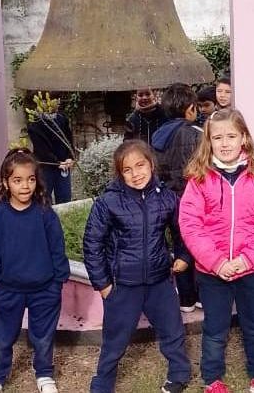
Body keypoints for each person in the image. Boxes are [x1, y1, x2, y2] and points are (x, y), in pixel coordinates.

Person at [178, 109, 254, 393]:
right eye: (217, 138)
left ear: (244, 139)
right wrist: (216, 262)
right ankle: (212, 380)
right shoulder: (199, 179)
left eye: (231, 136)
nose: (225, 143)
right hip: (214, 272)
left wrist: (247, 259)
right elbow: (190, 225)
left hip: (252, 269)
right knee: (215, 329)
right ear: (209, 142)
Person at [83, 140, 192, 393]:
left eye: (140, 165)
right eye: (127, 169)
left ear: (151, 164)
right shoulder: (108, 202)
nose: (135, 174)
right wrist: (103, 284)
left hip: (159, 282)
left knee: (172, 330)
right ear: (120, 174)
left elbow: (181, 231)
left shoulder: (166, 198)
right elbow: (92, 243)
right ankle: (103, 383)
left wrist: (183, 256)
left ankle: (179, 374)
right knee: (114, 340)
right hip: (123, 286)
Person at [0, 149, 68, 393]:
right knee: (3, 336)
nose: (25, 186)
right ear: (6, 183)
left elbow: (57, 247)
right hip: (8, 290)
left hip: (45, 289)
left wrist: (58, 281)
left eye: (30, 179)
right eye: (17, 180)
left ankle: (44, 374)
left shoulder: (45, 213)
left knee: (43, 336)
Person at [151, 83, 203, 312]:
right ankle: (201, 295)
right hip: (193, 200)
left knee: (180, 245)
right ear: (190, 108)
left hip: (167, 199)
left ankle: (186, 299)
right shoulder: (196, 134)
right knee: (198, 245)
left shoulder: (158, 135)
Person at [26, 96, 76, 204]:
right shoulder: (35, 124)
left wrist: (70, 157)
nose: (57, 103)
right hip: (46, 166)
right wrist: (56, 163)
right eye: (54, 100)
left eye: (58, 100)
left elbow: (69, 139)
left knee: (65, 199)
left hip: (63, 166)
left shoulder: (62, 119)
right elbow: (40, 149)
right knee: (44, 199)